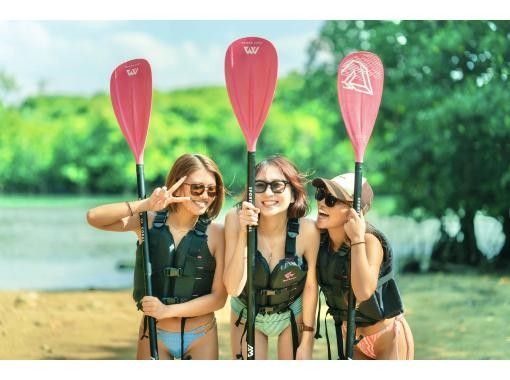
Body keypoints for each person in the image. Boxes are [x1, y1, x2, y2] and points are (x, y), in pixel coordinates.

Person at [86, 153, 227, 360]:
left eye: (212, 190)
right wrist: (144, 205)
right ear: (178, 186)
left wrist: (166, 311)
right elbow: (94, 217)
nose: (205, 195)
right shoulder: (147, 222)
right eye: (197, 188)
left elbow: (218, 298)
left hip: (201, 335)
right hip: (155, 333)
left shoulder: (217, 233)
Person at [223, 155, 320, 360]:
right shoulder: (234, 218)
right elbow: (232, 288)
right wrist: (243, 233)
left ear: (293, 194)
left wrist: (308, 338)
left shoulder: (308, 230)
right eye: (259, 186)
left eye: (277, 186)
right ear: (251, 194)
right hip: (247, 309)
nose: (268, 193)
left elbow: (311, 287)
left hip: (291, 310)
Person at [312, 172, 414, 360]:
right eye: (320, 194)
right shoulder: (320, 240)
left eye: (331, 199)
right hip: (352, 337)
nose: (321, 203)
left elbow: (363, 292)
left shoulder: (369, 241)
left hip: (387, 336)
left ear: (355, 210)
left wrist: (357, 239)